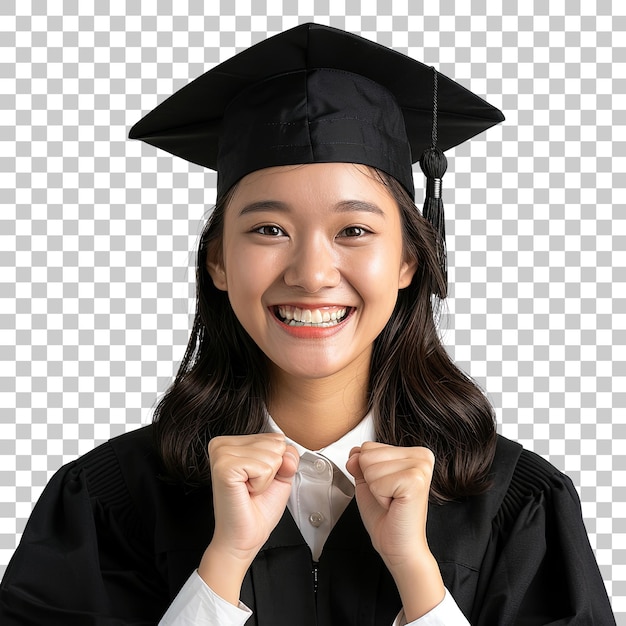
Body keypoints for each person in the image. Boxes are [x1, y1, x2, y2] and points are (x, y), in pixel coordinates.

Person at [0, 23, 615, 626]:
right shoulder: (112, 502)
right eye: (269, 230)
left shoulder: (515, 501)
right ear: (217, 260)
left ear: (407, 260)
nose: (312, 273)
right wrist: (224, 562)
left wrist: (418, 576)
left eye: (354, 231)